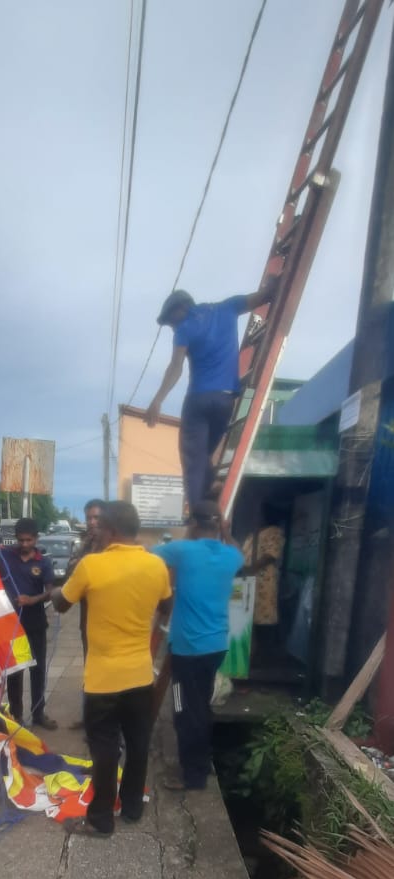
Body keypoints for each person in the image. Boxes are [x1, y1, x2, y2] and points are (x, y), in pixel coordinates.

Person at [53, 500, 172, 836]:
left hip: (103, 679)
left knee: (104, 747)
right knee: (137, 742)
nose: (97, 531)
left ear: (113, 530)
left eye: (100, 526)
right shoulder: (156, 566)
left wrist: (53, 590)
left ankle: (102, 819)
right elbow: (167, 604)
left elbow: (62, 603)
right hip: (139, 676)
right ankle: (132, 807)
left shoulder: (92, 566)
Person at [145, 282, 277, 508]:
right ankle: (209, 495)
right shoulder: (227, 308)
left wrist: (157, 400)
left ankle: (198, 513)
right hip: (226, 401)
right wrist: (273, 282)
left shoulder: (185, 328)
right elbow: (264, 296)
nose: (173, 327)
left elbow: (175, 367)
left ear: (181, 309)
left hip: (198, 400)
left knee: (192, 458)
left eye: (171, 322)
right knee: (204, 454)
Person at [153, 502, 243, 791]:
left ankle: (192, 776)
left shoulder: (183, 550)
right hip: (216, 645)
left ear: (192, 523)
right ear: (219, 525)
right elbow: (238, 552)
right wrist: (226, 533)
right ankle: (203, 764)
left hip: (187, 649)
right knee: (201, 706)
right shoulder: (230, 555)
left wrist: (189, 533)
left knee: (184, 711)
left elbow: (151, 555)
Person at [0, 518, 57, 731]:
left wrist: (32, 599)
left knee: (37, 670)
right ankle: (17, 715)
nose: (25, 544)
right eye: (21, 540)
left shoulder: (44, 562)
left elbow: (50, 591)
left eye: (29, 540)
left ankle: (39, 713)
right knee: (15, 671)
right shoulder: (6, 556)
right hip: (12, 624)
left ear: (36, 539)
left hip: (36, 622)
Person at [66, 498, 105, 731]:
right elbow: (71, 574)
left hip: (109, 623)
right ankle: (88, 717)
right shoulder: (84, 545)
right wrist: (84, 549)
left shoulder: (112, 546)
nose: (92, 522)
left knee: (106, 674)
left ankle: (103, 722)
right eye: (89, 518)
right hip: (87, 622)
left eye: (97, 518)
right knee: (89, 669)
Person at [242, 507, 286, 663]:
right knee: (247, 618)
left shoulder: (274, 531)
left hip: (263, 582)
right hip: (246, 581)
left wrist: (250, 569)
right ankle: (249, 657)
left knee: (263, 621)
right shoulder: (252, 534)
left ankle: (263, 659)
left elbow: (270, 555)